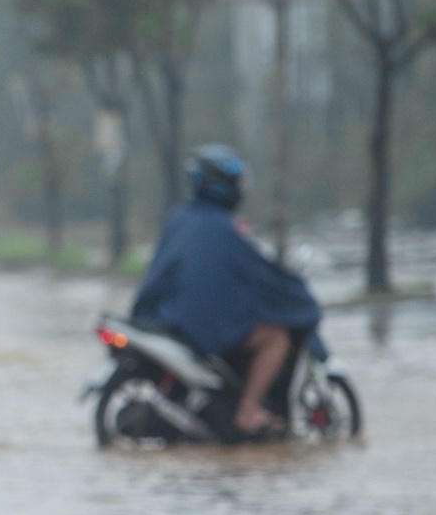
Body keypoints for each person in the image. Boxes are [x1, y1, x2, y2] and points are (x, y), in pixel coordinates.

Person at [130, 145, 322, 437]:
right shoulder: (223, 229)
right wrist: (290, 289)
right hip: (205, 326)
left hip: (170, 318)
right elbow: (257, 272)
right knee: (276, 338)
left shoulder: (180, 218)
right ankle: (247, 411)